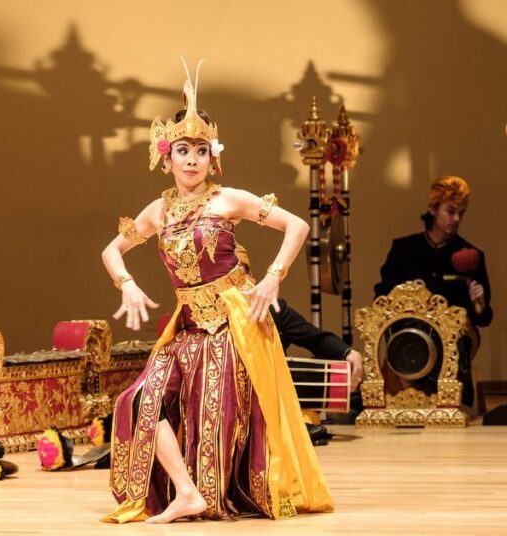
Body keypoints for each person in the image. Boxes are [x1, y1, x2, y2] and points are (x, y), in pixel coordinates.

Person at [101, 61, 333, 524]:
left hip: (234, 322)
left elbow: (297, 225)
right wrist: (126, 284)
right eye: (182, 150)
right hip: (187, 325)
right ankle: (187, 493)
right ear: (165, 157)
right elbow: (112, 249)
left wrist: (272, 276)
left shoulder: (228, 200)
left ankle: (206, 492)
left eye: (201, 151)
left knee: (219, 419)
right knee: (137, 399)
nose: (191, 160)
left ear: (213, 157)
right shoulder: (159, 211)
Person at [374, 176, 492, 406]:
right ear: (433, 209)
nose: (456, 218)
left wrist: (479, 301)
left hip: (456, 333)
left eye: (461, 213)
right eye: (451, 211)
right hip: (410, 327)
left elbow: (483, 318)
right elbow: (381, 296)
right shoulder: (403, 250)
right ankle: (407, 397)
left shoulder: (471, 255)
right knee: (410, 334)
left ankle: (453, 402)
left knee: (449, 337)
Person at [235, 244, 363, 442]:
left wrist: (348, 352)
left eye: (244, 271)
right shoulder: (207, 313)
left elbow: (315, 339)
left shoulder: (273, 308)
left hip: (278, 401)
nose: (240, 278)